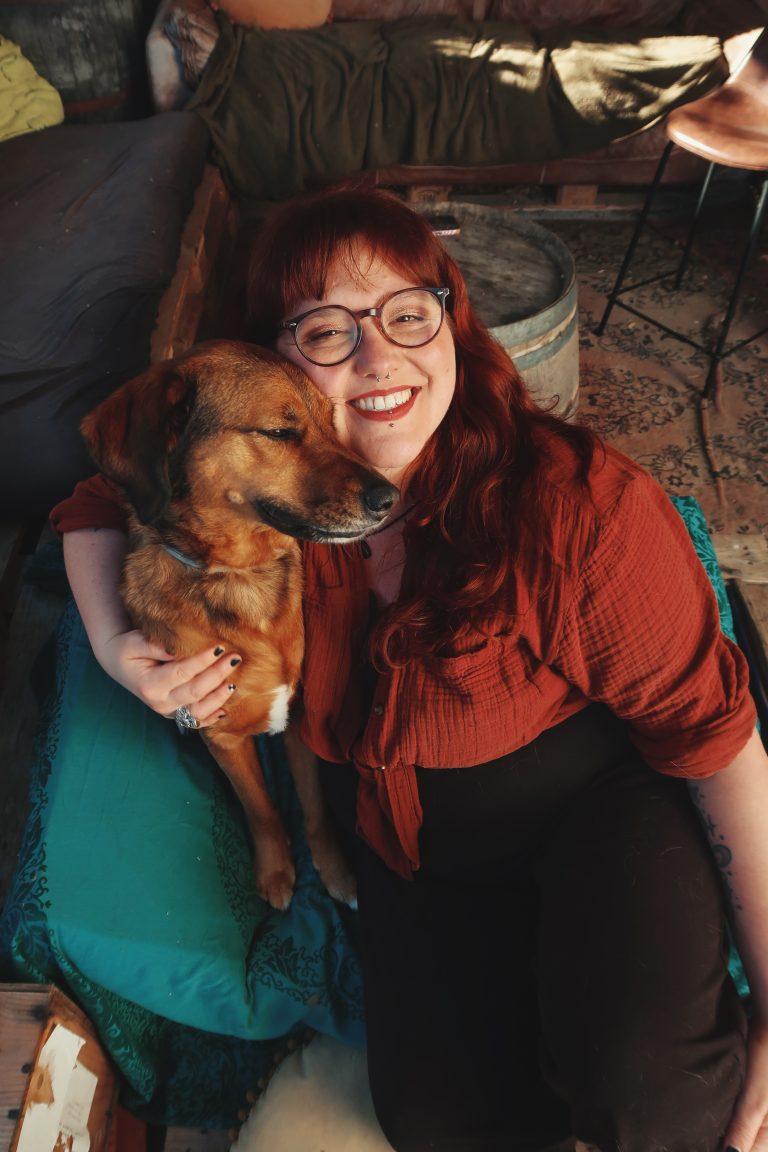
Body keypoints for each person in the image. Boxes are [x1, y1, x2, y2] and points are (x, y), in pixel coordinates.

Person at [53, 188, 768, 1152]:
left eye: (408, 315)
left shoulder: (580, 507)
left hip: (591, 811)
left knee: (654, 1102)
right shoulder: (272, 493)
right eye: (328, 329)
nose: (380, 357)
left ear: (451, 324)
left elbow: (720, 745)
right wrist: (114, 650)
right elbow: (100, 495)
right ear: (274, 362)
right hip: (411, 853)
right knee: (437, 1123)